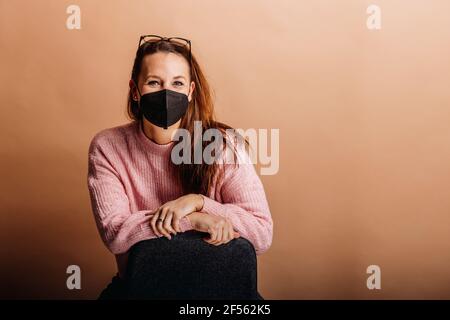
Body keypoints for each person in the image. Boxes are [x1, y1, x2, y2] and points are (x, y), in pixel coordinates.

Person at [87, 35, 273, 299]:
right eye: (154, 82)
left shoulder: (223, 146)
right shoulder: (107, 146)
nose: (166, 92)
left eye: (177, 83)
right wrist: (194, 220)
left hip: (220, 295)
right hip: (140, 293)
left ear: (190, 91)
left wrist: (197, 203)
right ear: (135, 90)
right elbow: (116, 232)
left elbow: (262, 232)